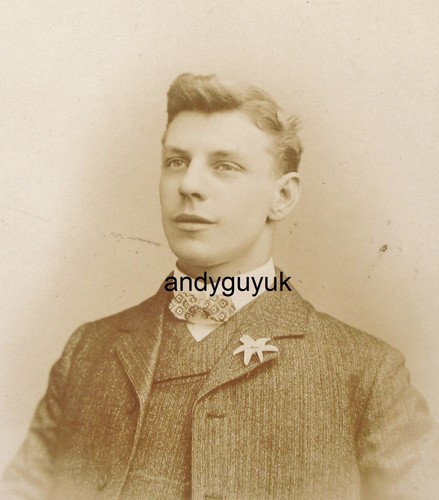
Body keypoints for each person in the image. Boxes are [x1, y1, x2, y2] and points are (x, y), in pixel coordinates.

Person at [2, 73, 438, 499]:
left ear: (282, 197)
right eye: (176, 162)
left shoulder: (365, 373)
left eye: (225, 166)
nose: (189, 186)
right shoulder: (87, 352)